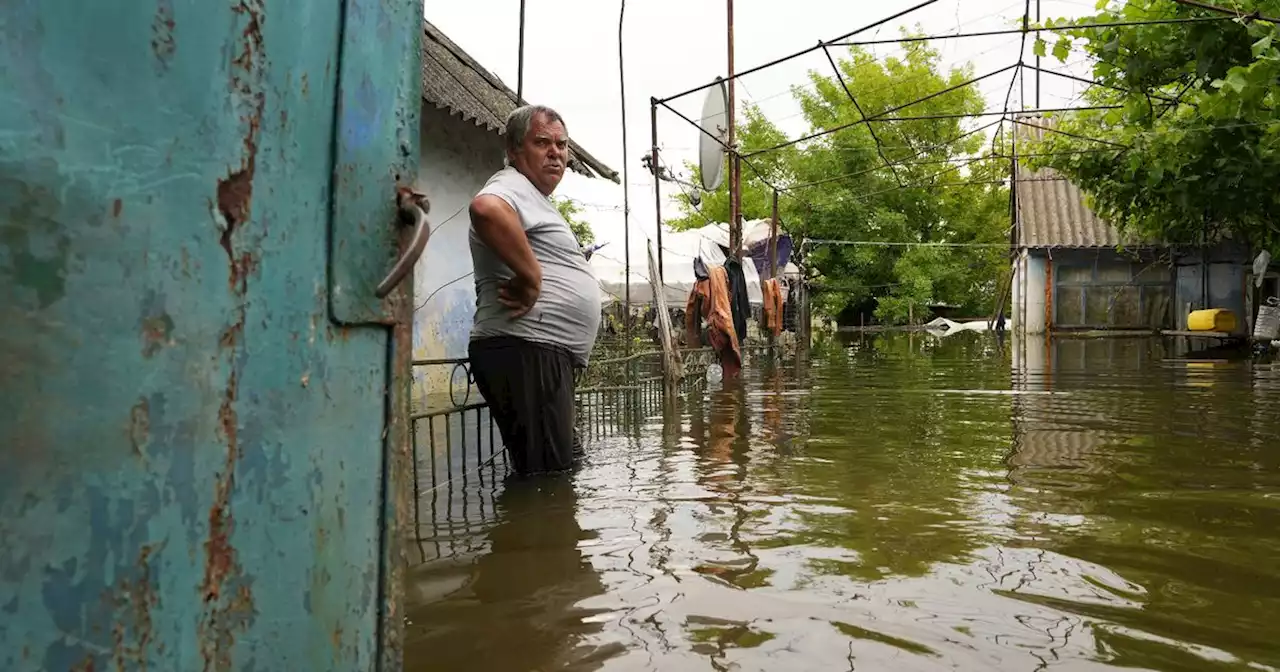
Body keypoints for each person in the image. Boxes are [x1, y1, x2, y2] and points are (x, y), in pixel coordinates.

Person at [466, 105, 601, 475]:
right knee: (545, 482)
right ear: (513, 150)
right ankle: (534, 534)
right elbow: (485, 209)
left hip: (539, 353)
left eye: (562, 144)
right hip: (527, 349)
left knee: (559, 471)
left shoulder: (531, 197)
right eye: (542, 142)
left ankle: (540, 532)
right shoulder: (510, 186)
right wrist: (532, 277)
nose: (555, 152)